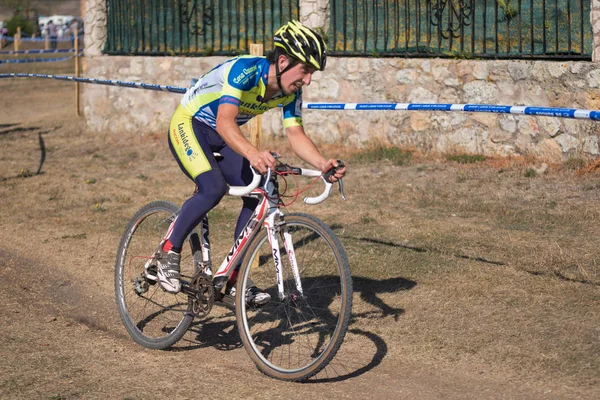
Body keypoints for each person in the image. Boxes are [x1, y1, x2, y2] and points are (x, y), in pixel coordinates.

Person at [151, 20, 346, 304]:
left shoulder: (290, 90)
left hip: (221, 135)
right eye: (305, 71)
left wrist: (322, 164)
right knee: (212, 187)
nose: (308, 80)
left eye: (312, 73)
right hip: (191, 124)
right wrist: (253, 154)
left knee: (262, 193)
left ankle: (233, 278)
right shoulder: (245, 71)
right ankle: (168, 250)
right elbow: (225, 121)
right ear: (282, 61)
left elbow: (295, 133)